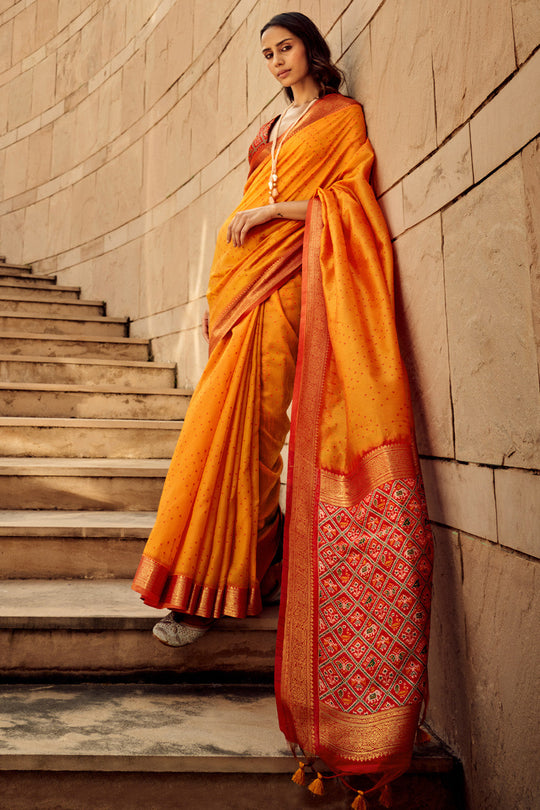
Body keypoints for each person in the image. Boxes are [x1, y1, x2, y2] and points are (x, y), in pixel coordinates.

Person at [132, 12, 433, 803]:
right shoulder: (271, 128)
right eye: (265, 52)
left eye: (285, 47)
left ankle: (224, 585)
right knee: (215, 431)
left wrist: (272, 216)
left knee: (258, 434)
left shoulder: (340, 120)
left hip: (290, 287)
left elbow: (348, 204)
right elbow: (248, 195)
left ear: (312, 50)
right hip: (242, 292)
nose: (275, 60)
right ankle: (210, 580)